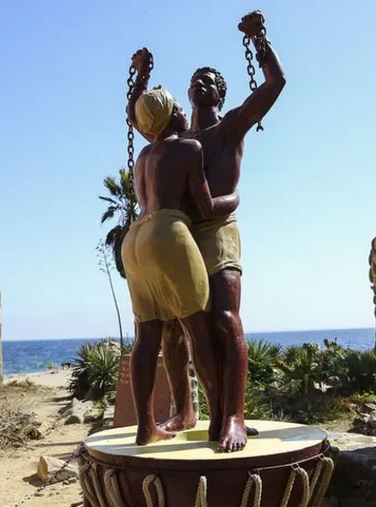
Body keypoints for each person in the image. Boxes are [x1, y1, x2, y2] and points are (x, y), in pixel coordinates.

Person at [126, 11, 286, 452]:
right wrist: (140, 78)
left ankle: (232, 415)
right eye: (195, 78)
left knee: (223, 319)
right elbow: (136, 115)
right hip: (180, 237)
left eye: (210, 79)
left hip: (216, 234)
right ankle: (186, 409)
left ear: (221, 92)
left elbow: (274, 85)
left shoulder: (229, 126)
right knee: (174, 330)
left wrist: (259, 39)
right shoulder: (173, 139)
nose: (200, 82)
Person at [122, 85, 239, 445]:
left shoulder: (143, 156)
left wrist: (140, 81)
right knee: (198, 328)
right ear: (172, 113)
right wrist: (233, 201)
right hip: (168, 233)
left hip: (134, 239)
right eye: (178, 107)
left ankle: (147, 428)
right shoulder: (190, 148)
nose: (184, 111)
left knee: (147, 336)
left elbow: (137, 115)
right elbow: (204, 208)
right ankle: (220, 418)